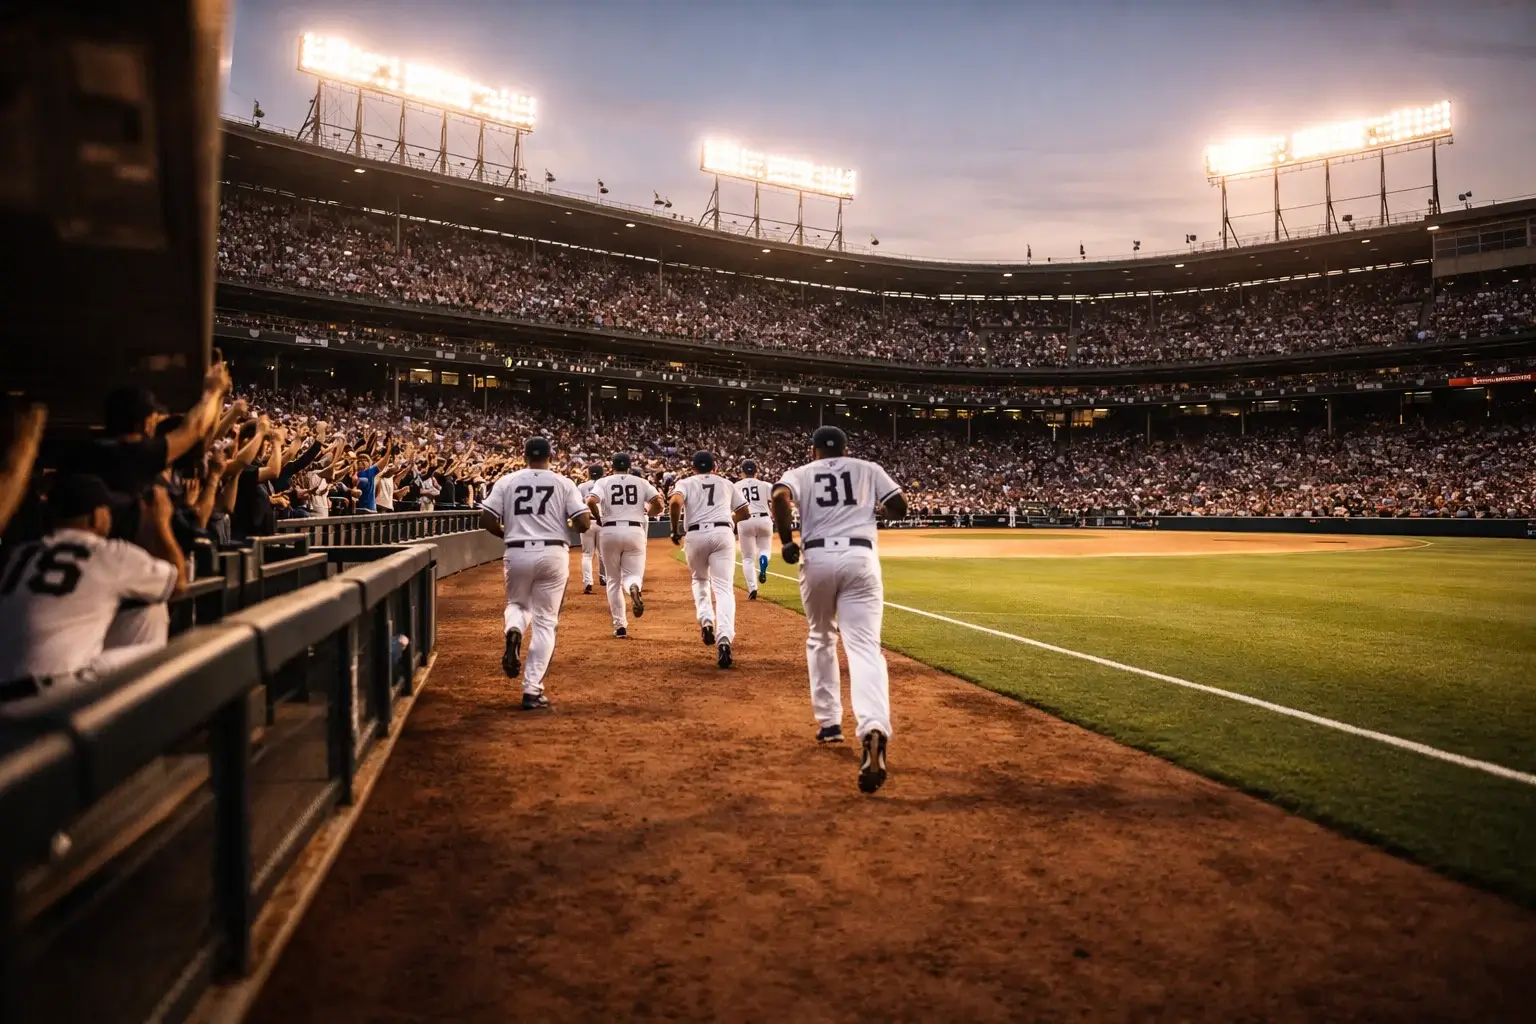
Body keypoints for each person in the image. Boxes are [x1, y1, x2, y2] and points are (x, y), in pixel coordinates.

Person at [772, 425, 907, 794]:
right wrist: (869, 509)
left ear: (814, 450)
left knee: (820, 636)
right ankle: (874, 725)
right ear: (846, 450)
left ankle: (830, 723)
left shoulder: (800, 473)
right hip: (861, 555)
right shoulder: (868, 468)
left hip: (816, 556)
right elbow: (899, 505)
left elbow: (780, 497)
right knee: (864, 648)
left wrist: (787, 541)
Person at [0, 474, 184, 703]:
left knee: (142, 612)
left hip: (6, 690)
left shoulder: (18, 554)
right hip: (54, 693)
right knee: (165, 653)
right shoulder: (108, 553)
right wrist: (161, 522)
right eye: (107, 509)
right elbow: (178, 584)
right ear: (96, 516)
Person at [479, 437, 591, 710]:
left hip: (516, 550)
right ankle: (531, 689)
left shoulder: (507, 480)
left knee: (517, 605)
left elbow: (486, 519)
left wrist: (508, 532)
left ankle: (515, 628)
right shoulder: (564, 482)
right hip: (553, 553)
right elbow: (584, 523)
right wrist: (563, 522)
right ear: (551, 456)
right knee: (545, 622)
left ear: (524, 455)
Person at [669, 450, 748, 669]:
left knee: (700, 580)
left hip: (694, 535)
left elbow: (675, 503)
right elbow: (745, 513)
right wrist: (728, 519)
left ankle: (706, 621)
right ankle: (724, 640)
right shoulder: (726, 483)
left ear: (693, 467)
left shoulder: (685, 482)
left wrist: (674, 530)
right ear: (714, 467)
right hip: (722, 534)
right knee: (723, 589)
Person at [586, 452, 662, 638]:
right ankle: (633, 587)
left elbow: (590, 501)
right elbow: (659, 504)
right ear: (629, 467)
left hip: (610, 529)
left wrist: (598, 517)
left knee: (613, 580)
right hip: (635, 529)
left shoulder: (603, 482)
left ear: (612, 467)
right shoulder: (640, 482)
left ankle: (620, 626)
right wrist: (648, 515)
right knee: (633, 575)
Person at [733, 458, 774, 601]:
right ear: (757, 471)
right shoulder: (765, 484)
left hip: (745, 521)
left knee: (748, 558)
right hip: (764, 519)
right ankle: (763, 560)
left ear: (742, 472)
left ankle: (752, 588)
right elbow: (776, 499)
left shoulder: (736, 486)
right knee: (765, 550)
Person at [576, 463, 606, 594]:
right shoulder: (605, 484)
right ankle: (603, 578)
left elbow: (577, 504)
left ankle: (588, 582)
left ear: (588, 473)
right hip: (602, 522)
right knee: (602, 553)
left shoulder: (581, 486)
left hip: (587, 521)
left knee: (587, 554)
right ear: (602, 473)